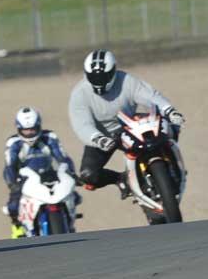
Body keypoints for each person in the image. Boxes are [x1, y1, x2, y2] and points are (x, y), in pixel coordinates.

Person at [68, 49, 185, 198]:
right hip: (103, 137)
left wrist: (169, 111)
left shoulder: (127, 81)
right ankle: (121, 180)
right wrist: (98, 139)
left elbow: (151, 97)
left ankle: (172, 165)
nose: (99, 81)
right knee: (88, 175)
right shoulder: (80, 93)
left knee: (169, 127)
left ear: (113, 71)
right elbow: (82, 124)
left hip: (130, 125)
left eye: (103, 77)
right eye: (94, 77)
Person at [3, 107, 79, 238]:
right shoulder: (13, 142)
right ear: (19, 128)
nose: (29, 133)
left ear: (39, 126)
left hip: (49, 175)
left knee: (75, 196)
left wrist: (71, 173)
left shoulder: (50, 137)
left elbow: (63, 157)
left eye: (32, 129)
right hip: (24, 178)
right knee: (13, 206)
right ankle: (17, 226)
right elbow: (10, 165)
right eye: (26, 130)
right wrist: (13, 183)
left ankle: (69, 221)